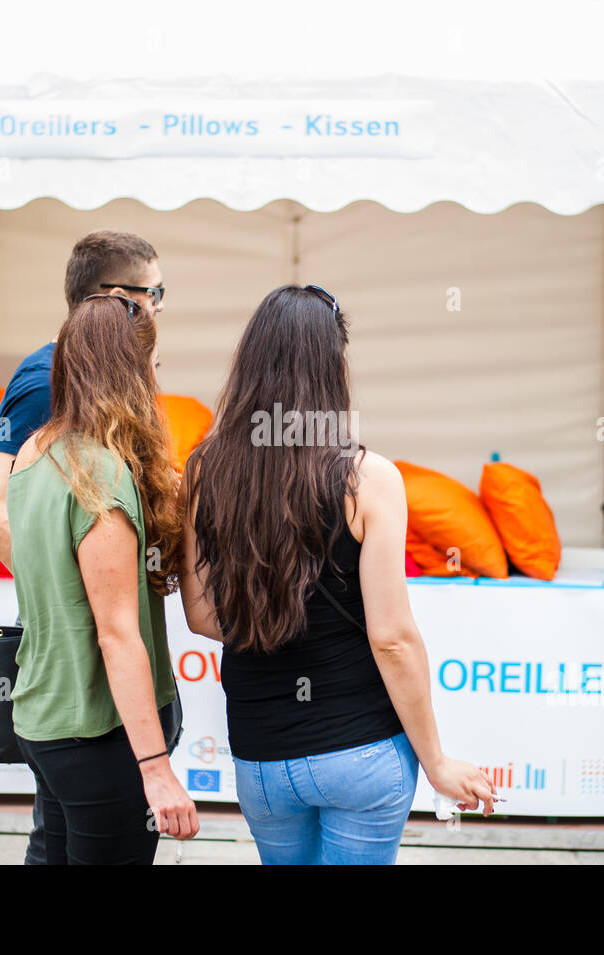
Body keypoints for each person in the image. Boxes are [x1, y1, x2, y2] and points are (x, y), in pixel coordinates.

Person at [178, 284, 496, 865]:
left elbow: (201, 615)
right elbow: (392, 638)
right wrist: (437, 762)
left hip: (261, 759)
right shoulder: (367, 478)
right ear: (333, 368)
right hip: (361, 753)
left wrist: (275, 618)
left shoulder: (204, 470)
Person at [0, 228, 166, 865]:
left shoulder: (46, 443)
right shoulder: (48, 393)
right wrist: (75, 596)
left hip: (54, 710)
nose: (159, 308)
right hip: (90, 711)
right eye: (152, 294)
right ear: (116, 301)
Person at [6, 294, 198, 865]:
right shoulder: (101, 477)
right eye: (153, 367)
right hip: (99, 732)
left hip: (43, 719)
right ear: (131, 374)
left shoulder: (33, 452)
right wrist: (156, 769)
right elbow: (117, 635)